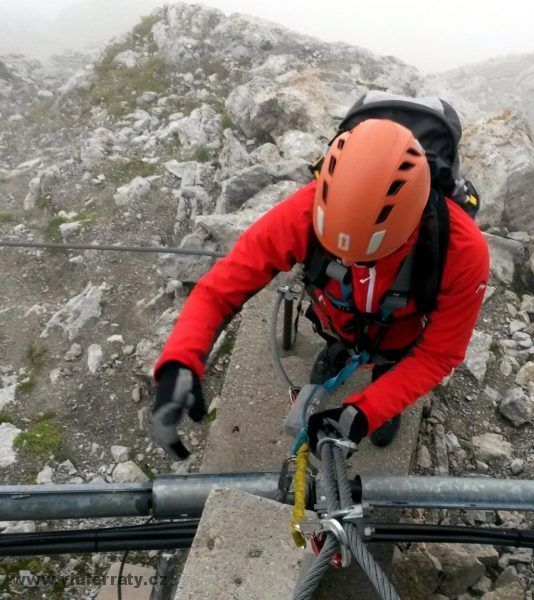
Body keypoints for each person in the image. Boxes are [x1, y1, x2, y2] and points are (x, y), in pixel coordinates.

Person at [150, 118, 489, 460]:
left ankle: (385, 383)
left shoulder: (461, 252)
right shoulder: (306, 210)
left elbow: (437, 354)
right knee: (338, 339)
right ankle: (338, 351)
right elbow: (223, 286)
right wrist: (181, 358)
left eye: (366, 255)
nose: (347, 261)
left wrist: (365, 413)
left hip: (397, 338)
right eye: (336, 248)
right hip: (336, 319)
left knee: (392, 365)